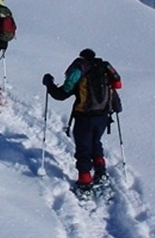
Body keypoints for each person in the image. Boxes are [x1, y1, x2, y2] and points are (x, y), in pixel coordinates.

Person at [42, 49, 122, 196]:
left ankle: (85, 183)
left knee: (83, 148)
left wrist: (49, 84)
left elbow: (63, 93)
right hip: (103, 116)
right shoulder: (104, 67)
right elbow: (117, 85)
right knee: (96, 142)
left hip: (85, 117)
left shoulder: (80, 68)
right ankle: (100, 172)